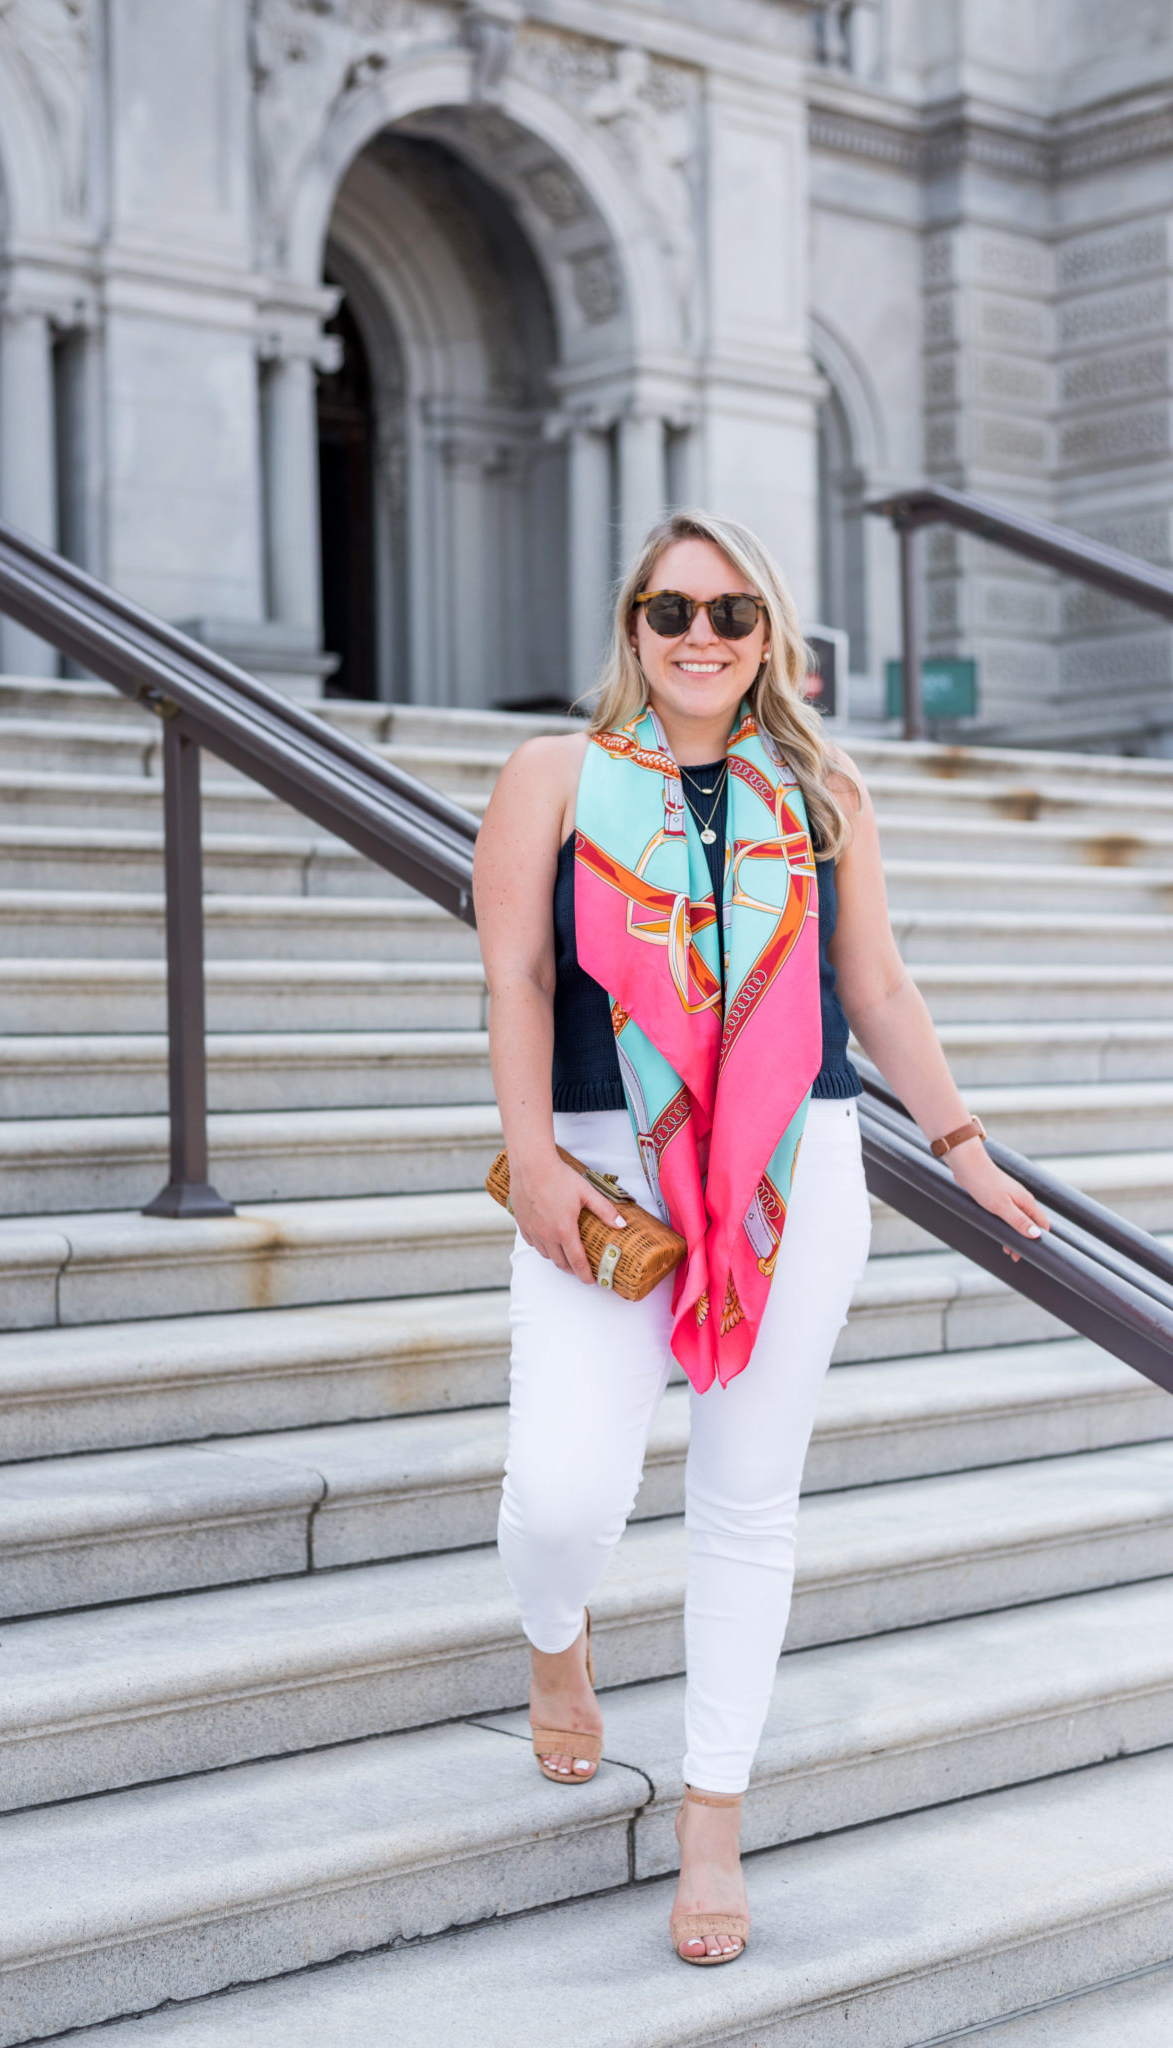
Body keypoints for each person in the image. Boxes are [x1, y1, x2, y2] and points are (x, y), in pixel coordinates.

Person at [472, 510, 1049, 1965]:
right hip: (607, 1170)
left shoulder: (821, 787)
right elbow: (520, 979)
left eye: (732, 615)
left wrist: (968, 1151)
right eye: (673, 613)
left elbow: (880, 990)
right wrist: (532, 1158)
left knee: (745, 1507)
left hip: (798, 1170)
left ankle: (712, 1825)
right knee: (561, 1498)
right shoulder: (554, 777)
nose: (702, 639)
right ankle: (558, 1639)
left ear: (769, 635)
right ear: (633, 630)